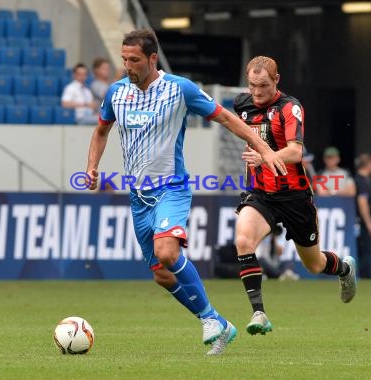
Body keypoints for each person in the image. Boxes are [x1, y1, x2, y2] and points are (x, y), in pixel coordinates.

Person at [85, 29, 287, 355]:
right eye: (124, 59)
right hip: (138, 196)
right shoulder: (116, 92)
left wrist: (263, 148)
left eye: (134, 60)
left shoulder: (179, 89)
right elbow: (100, 131)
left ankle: (209, 321)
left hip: (171, 187)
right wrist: (92, 166)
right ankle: (218, 322)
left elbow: (226, 119)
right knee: (162, 275)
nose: (127, 66)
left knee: (167, 252)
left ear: (152, 58)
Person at [233, 56, 357, 336]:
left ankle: (345, 270)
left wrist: (265, 158)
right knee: (243, 240)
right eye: (252, 85)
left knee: (314, 265)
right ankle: (259, 312)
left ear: (277, 80)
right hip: (260, 193)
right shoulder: (241, 104)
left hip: (294, 197)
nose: (257, 92)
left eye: (263, 85)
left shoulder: (290, 107)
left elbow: (295, 151)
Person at [354, 153, 371, 278]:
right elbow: (362, 203)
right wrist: (369, 223)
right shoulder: (361, 181)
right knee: (365, 251)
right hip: (362, 222)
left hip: (361, 222)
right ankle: (364, 276)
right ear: (369, 164)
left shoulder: (361, 179)